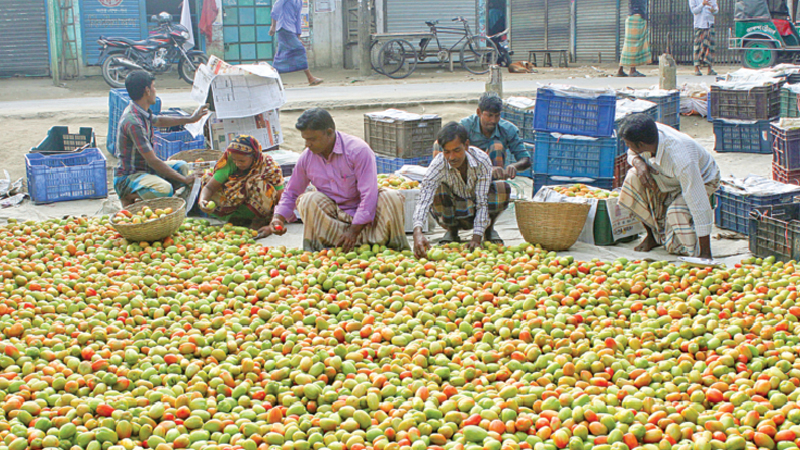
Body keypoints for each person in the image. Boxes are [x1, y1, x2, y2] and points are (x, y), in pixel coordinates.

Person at [267, 108, 409, 252]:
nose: (307, 144)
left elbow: (369, 194)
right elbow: (292, 192)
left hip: (367, 218)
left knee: (391, 197)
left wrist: (353, 231)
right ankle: (325, 249)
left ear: (329, 133)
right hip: (335, 218)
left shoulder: (358, 150)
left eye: (312, 139)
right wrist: (278, 218)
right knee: (308, 200)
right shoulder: (307, 157)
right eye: (305, 139)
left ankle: (389, 247)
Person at [617, 114, 720, 259]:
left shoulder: (682, 159)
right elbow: (631, 153)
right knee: (632, 176)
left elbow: (698, 201)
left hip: (702, 180)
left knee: (675, 216)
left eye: (628, 143)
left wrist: (705, 253)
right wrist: (639, 164)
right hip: (666, 176)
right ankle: (652, 235)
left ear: (641, 144)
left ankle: (697, 249)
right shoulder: (649, 134)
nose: (627, 146)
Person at [413, 122, 511, 257]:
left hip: (476, 206)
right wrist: (417, 232)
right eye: (447, 152)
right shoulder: (438, 165)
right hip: (454, 209)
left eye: (457, 150)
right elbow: (423, 199)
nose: (452, 157)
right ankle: (452, 231)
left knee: (502, 188)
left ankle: (488, 229)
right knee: (437, 190)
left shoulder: (481, 160)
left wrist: (476, 238)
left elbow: (482, 202)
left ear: (466, 145)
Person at [114, 70, 209, 207]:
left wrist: (191, 119)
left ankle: (159, 194)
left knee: (182, 166)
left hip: (145, 169)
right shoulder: (133, 122)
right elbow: (153, 161)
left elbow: (159, 121)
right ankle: (127, 195)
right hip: (129, 176)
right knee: (164, 189)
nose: (155, 91)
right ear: (147, 91)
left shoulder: (140, 111)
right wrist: (184, 180)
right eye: (154, 87)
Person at [197, 135, 285, 233]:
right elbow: (209, 187)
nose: (237, 164)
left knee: (258, 183)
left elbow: (281, 199)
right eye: (234, 160)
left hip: (259, 208)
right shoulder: (229, 162)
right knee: (206, 178)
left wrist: (272, 225)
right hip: (233, 205)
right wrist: (203, 201)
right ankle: (235, 219)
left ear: (254, 156)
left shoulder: (269, 166)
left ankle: (258, 221)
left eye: (242, 161)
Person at [434, 93, 531, 180]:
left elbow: (525, 159)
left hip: (492, 175)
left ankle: (494, 186)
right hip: (467, 169)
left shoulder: (508, 129)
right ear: (479, 112)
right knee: (438, 144)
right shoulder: (466, 125)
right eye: (489, 115)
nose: (493, 120)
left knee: (497, 146)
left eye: (497, 116)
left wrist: (514, 166)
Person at [270, 0, 323, 86]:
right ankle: (310, 78)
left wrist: (298, 36)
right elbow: (276, 8)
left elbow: (298, 18)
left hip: (291, 29)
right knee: (300, 50)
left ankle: (272, 78)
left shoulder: (299, 1)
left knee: (282, 54)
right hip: (284, 27)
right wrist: (273, 26)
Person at [617, 0, 650, 77]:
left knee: (628, 45)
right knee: (635, 45)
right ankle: (632, 70)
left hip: (633, 17)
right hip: (637, 18)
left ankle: (620, 70)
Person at [690, 0, 718, 76]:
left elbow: (716, 9)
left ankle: (709, 68)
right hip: (699, 25)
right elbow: (694, 11)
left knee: (710, 47)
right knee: (698, 47)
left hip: (710, 24)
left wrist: (713, 10)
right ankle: (697, 68)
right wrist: (702, 4)